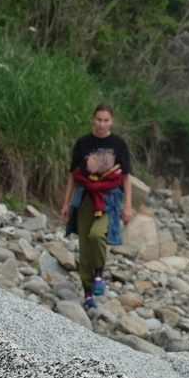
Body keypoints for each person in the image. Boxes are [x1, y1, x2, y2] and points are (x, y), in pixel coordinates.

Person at [60, 103, 135, 309]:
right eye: (99, 120)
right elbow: (73, 175)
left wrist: (128, 205)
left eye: (106, 120)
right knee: (84, 246)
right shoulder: (83, 143)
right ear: (93, 119)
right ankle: (87, 293)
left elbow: (126, 176)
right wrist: (66, 202)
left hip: (109, 198)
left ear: (112, 121)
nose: (102, 124)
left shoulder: (118, 144)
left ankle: (100, 273)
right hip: (85, 198)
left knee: (97, 235)